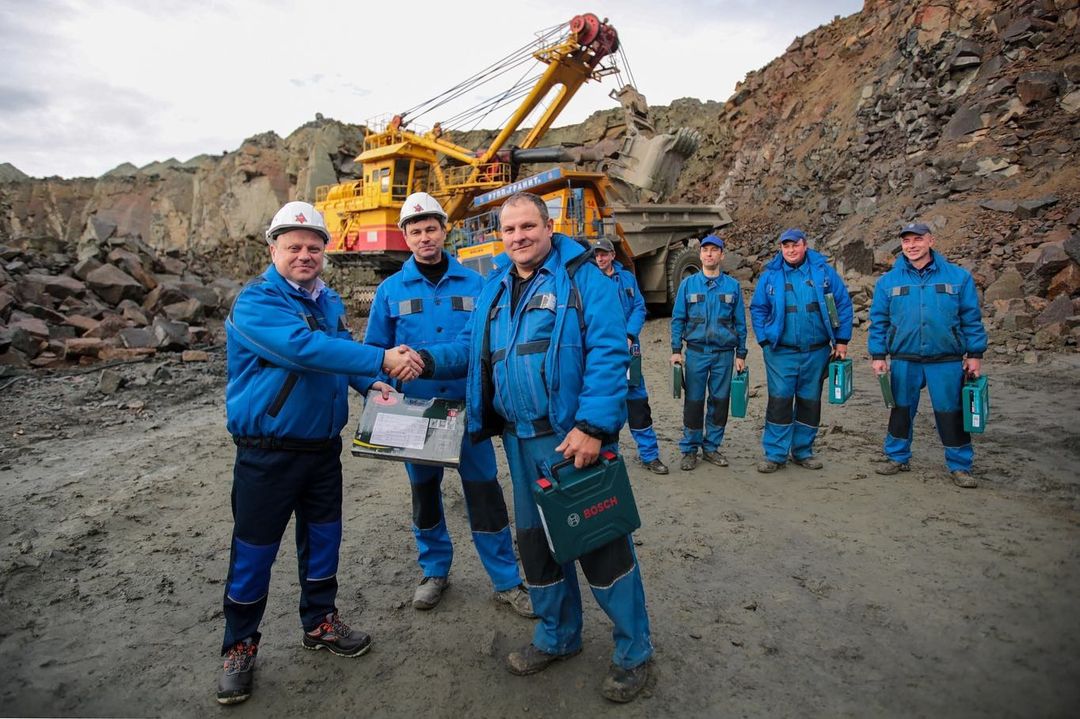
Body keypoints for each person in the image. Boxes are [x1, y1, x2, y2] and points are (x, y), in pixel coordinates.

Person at [416, 192, 653, 703]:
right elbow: (470, 347)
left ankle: (634, 652)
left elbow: (610, 351)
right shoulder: (496, 287)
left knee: (600, 543)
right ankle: (557, 635)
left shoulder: (583, 278)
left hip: (571, 439)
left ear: (548, 227)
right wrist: (422, 359)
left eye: (528, 226)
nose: (518, 236)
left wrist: (593, 426)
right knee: (536, 545)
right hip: (518, 440)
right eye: (509, 229)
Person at [216, 201, 423, 705]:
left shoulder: (327, 299)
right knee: (254, 552)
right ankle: (239, 646)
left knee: (324, 540)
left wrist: (370, 383)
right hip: (268, 453)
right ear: (273, 249)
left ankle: (320, 622)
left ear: (325, 251)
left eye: (313, 247)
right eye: (294, 247)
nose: (304, 255)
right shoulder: (257, 301)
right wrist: (382, 357)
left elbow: (340, 354)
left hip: (322, 450)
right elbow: (303, 350)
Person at [362, 192, 533, 617]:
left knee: (485, 494)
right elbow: (373, 351)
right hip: (415, 414)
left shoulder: (476, 284)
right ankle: (434, 571)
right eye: (416, 231)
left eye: (431, 229)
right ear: (405, 237)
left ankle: (506, 579)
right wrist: (375, 389)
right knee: (424, 495)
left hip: (467, 411)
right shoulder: (389, 291)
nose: (424, 237)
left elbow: (487, 344)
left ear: (445, 230)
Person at [868, 222, 987, 488]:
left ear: (931, 241)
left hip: (946, 359)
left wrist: (974, 354)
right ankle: (897, 457)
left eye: (917, 239)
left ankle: (960, 465)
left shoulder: (958, 277)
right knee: (900, 410)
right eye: (906, 241)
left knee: (950, 412)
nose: (912, 245)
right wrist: (878, 355)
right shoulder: (888, 282)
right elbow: (879, 321)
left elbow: (971, 318)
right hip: (904, 358)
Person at [749, 228, 853, 473]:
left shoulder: (823, 272)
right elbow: (758, 308)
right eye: (786, 246)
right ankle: (775, 454)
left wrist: (842, 341)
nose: (791, 250)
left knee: (809, 402)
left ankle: (803, 451)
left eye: (795, 245)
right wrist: (764, 340)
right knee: (780, 401)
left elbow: (842, 304)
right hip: (780, 352)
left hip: (816, 351)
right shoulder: (771, 275)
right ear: (781, 249)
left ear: (805, 245)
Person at [669, 234, 747, 471]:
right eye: (705, 250)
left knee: (720, 401)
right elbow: (678, 319)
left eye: (714, 250)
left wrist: (741, 354)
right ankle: (690, 449)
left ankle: (712, 447)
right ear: (700, 254)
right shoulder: (688, 285)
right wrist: (676, 350)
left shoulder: (732, 286)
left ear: (722, 255)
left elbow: (740, 323)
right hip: (696, 353)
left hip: (724, 354)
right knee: (694, 402)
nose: (709, 254)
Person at [592, 236, 670, 475]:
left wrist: (628, 334)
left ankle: (650, 455)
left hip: (629, 352)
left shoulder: (626, 279)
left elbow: (638, 307)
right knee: (606, 405)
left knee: (638, 404)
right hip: (602, 355)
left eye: (604, 254)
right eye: (596, 255)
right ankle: (609, 460)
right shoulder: (589, 281)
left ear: (612, 255)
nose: (600, 258)